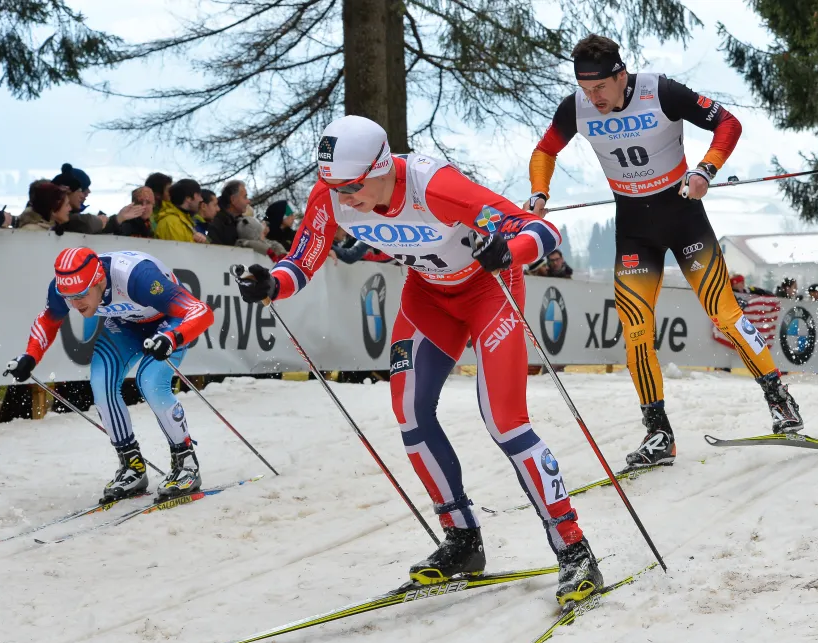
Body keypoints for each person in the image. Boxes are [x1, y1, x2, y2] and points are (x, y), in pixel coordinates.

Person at [237, 115, 602, 605]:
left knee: (505, 423)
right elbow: (304, 257)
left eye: (351, 186)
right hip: (429, 297)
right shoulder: (332, 196)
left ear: (383, 166)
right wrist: (271, 283)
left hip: (488, 291)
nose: (342, 198)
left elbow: (542, 231)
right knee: (409, 412)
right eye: (333, 186)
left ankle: (573, 549)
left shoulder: (436, 186)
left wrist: (509, 249)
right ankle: (461, 538)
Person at [526, 34, 805, 470]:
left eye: (600, 87)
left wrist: (705, 169)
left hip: (684, 216)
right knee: (636, 329)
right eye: (585, 88)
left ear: (621, 76)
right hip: (635, 231)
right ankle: (659, 433)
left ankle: (780, 399)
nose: (593, 97)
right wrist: (539, 193)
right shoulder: (575, 108)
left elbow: (728, 123)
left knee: (724, 313)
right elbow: (545, 150)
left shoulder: (661, 90)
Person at [5, 247, 214, 501]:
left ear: (100, 280)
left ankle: (186, 463)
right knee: (100, 383)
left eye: (82, 295)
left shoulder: (138, 277)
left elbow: (201, 311)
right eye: (68, 297)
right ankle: (132, 467)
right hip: (127, 324)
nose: (75, 303)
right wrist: (30, 356)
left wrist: (172, 338)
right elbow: (49, 320)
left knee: (150, 382)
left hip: (169, 321)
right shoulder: (67, 285)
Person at [207, 180, 286, 256]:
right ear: (233, 199)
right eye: (245, 197)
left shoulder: (242, 222)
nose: (248, 201)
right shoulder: (217, 223)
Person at [52, 164, 104, 234]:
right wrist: (102, 222)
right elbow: (86, 223)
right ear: (68, 190)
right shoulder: (59, 216)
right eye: (82, 189)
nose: (88, 192)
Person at [155, 179, 206, 243]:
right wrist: (196, 242)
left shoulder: (183, 220)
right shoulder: (171, 222)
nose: (201, 199)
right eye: (198, 195)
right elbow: (178, 250)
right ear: (188, 199)